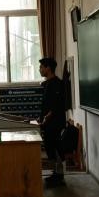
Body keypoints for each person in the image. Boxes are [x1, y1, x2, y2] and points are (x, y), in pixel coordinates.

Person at [38, 57, 66, 187]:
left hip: (55, 123)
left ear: (48, 68)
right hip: (47, 124)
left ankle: (59, 176)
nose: (40, 69)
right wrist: (41, 118)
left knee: (56, 148)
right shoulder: (46, 84)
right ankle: (55, 174)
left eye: (41, 67)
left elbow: (56, 106)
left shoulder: (57, 83)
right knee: (50, 148)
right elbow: (46, 105)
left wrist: (47, 117)